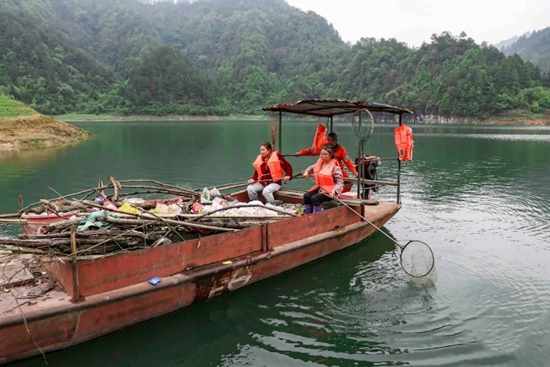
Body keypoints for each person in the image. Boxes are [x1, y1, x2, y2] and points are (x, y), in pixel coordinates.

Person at [302, 146, 344, 214]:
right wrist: (307, 172)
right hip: (320, 188)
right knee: (306, 196)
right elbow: (310, 167)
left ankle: (319, 215)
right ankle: (308, 213)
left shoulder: (335, 168)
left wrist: (334, 190)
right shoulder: (319, 164)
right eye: (321, 154)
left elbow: (340, 183)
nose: (323, 156)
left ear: (330, 155)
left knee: (315, 198)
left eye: (325, 154)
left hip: (330, 191)